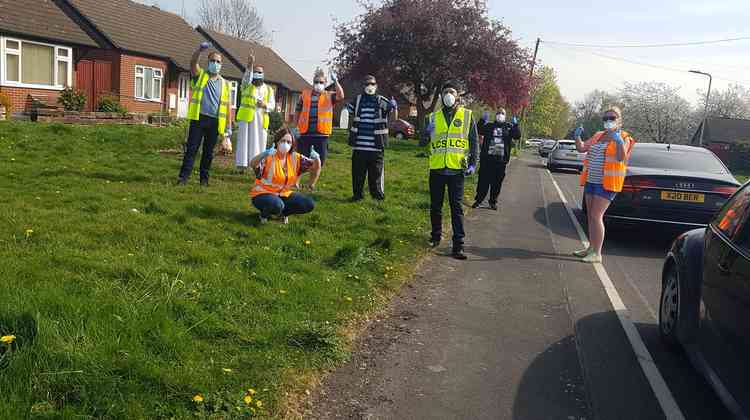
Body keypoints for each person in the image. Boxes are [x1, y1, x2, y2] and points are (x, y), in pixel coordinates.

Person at [419, 83, 479, 260]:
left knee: (456, 208)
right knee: (435, 207)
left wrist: (473, 164)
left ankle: (458, 245)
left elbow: (474, 143)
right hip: (437, 169)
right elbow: (422, 143)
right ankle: (435, 237)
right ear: (441, 96)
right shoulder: (432, 117)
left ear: (457, 97)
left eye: (451, 92)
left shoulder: (467, 116)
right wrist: (425, 132)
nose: (448, 95)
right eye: (445, 92)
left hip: (456, 170)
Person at [573, 106, 635, 263]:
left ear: (619, 120)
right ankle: (591, 248)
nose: (608, 121)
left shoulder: (624, 137)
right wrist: (577, 137)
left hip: (607, 183)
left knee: (596, 216)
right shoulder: (598, 136)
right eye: (605, 118)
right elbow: (581, 148)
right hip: (591, 180)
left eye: (612, 118)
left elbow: (621, 158)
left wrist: (619, 141)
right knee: (590, 217)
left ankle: (597, 253)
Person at [178, 42, 232, 186]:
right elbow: (192, 63)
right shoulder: (201, 75)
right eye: (213, 61)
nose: (215, 63)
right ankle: (183, 178)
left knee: (208, 153)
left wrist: (228, 129)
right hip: (199, 118)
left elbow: (227, 107)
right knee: (192, 150)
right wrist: (199, 51)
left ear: (221, 65)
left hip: (215, 122)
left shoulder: (225, 84)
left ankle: (204, 180)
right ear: (208, 62)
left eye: (218, 62)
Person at [249, 127, 321, 224]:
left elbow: (315, 168)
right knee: (276, 204)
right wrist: (265, 153)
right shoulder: (270, 156)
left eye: (289, 142)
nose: (285, 144)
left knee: (308, 204)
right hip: (262, 194)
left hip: (284, 194)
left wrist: (317, 159)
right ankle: (263, 215)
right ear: (277, 142)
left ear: (292, 144)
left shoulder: (295, 157)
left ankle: (282, 214)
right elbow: (253, 164)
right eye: (283, 141)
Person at [346, 75, 398, 201]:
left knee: (375, 175)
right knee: (358, 174)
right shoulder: (357, 100)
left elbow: (393, 116)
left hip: (376, 147)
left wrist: (394, 107)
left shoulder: (381, 100)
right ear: (363, 86)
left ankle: (377, 197)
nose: (370, 86)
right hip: (359, 146)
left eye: (372, 84)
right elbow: (347, 111)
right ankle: (357, 196)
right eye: (367, 84)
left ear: (376, 86)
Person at [472, 109, 521, 210]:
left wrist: (515, 125)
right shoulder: (489, 126)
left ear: (505, 115)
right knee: (483, 182)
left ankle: (493, 202)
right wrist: (482, 120)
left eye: (502, 113)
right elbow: (478, 130)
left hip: (500, 162)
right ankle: (479, 200)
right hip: (487, 161)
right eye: (498, 113)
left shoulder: (508, 127)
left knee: (496, 184)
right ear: (495, 115)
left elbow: (517, 136)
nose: (500, 115)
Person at [236, 49, 275, 172]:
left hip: (261, 119)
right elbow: (247, 77)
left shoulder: (268, 89)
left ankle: (257, 166)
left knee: (259, 143)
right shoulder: (246, 85)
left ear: (263, 75)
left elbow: (272, 105)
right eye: (256, 72)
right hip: (247, 118)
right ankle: (242, 166)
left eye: (260, 72)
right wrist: (250, 65)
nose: (257, 74)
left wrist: (265, 105)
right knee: (244, 142)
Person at [296, 68, 344, 166]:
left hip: (321, 134)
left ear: (325, 83)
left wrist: (336, 81)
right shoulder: (304, 94)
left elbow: (341, 96)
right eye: (316, 82)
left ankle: (314, 178)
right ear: (313, 83)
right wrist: (295, 127)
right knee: (301, 161)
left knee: (320, 162)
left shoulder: (329, 95)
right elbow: (297, 110)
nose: (318, 84)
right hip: (305, 133)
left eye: (321, 82)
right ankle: (299, 178)